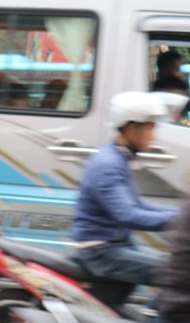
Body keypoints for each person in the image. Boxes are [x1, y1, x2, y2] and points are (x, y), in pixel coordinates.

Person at [71, 90, 178, 294]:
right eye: (150, 129)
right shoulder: (109, 164)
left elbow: (137, 205)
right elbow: (128, 214)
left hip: (116, 244)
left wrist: (180, 215)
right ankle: (161, 316)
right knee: (177, 273)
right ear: (131, 128)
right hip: (100, 252)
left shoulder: (119, 158)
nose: (153, 137)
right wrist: (180, 220)